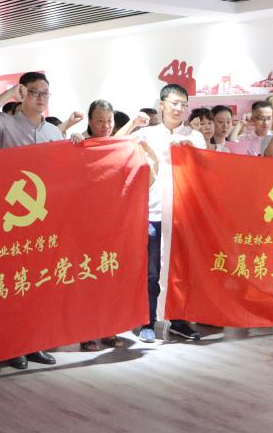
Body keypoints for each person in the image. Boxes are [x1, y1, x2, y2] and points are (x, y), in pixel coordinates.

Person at [0, 71, 80, 369]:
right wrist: (10, 92)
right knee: (11, 284)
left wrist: (74, 143)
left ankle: (34, 343)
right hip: (10, 217)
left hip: (43, 219)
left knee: (38, 284)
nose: (41, 98)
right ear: (23, 93)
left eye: (45, 93)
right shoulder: (6, 124)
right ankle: (11, 346)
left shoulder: (53, 132)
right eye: (35, 92)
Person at [132, 84, 206, 343]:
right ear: (162, 104)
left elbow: (205, 166)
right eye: (174, 103)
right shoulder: (147, 133)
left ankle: (179, 320)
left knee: (181, 270)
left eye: (183, 104)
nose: (178, 108)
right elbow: (119, 148)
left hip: (183, 213)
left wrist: (190, 147)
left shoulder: (195, 136)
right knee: (151, 270)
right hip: (153, 211)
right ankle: (147, 321)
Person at [79, 100, 148, 351]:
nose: (105, 125)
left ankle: (110, 329)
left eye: (109, 120)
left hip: (114, 224)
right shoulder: (79, 145)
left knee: (110, 279)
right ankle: (87, 333)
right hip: (86, 226)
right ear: (90, 121)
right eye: (99, 120)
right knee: (88, 281)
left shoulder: (118, 145)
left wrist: (135, 126)